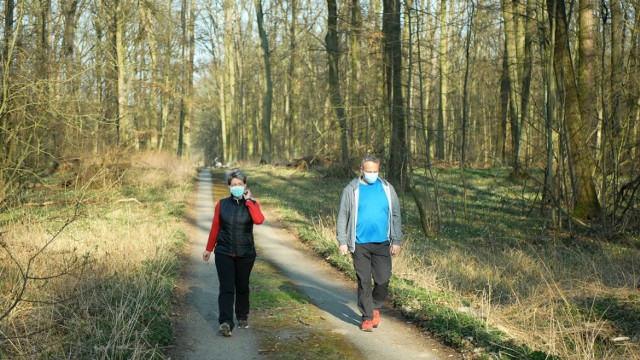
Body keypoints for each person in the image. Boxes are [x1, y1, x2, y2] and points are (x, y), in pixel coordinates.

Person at [336, 154, 402, 332]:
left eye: (375, 171)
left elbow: (395, 214)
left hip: (382, 243)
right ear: (362, 170)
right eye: (369, 171)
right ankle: (367, 317)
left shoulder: (387, 188)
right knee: (364, 281)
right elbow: (343, 215)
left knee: (383, 279)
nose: (372, 174)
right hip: (359, 244)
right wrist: (342, 240)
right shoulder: (351, 189)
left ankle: (374, 306)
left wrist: (396, 239)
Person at [202, 169, 265, 337]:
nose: (236, 187)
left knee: (242, 286)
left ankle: (242, 315)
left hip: (246, 252)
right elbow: (215, 227)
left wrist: (249, 201)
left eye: (239, 184)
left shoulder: (252, 204)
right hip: (224, 252)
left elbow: (259, 220)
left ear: (245, 185)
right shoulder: (221, 204)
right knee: (226, 287)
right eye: (233, 184)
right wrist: (209, 249)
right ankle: (226, 322)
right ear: (229, 187)